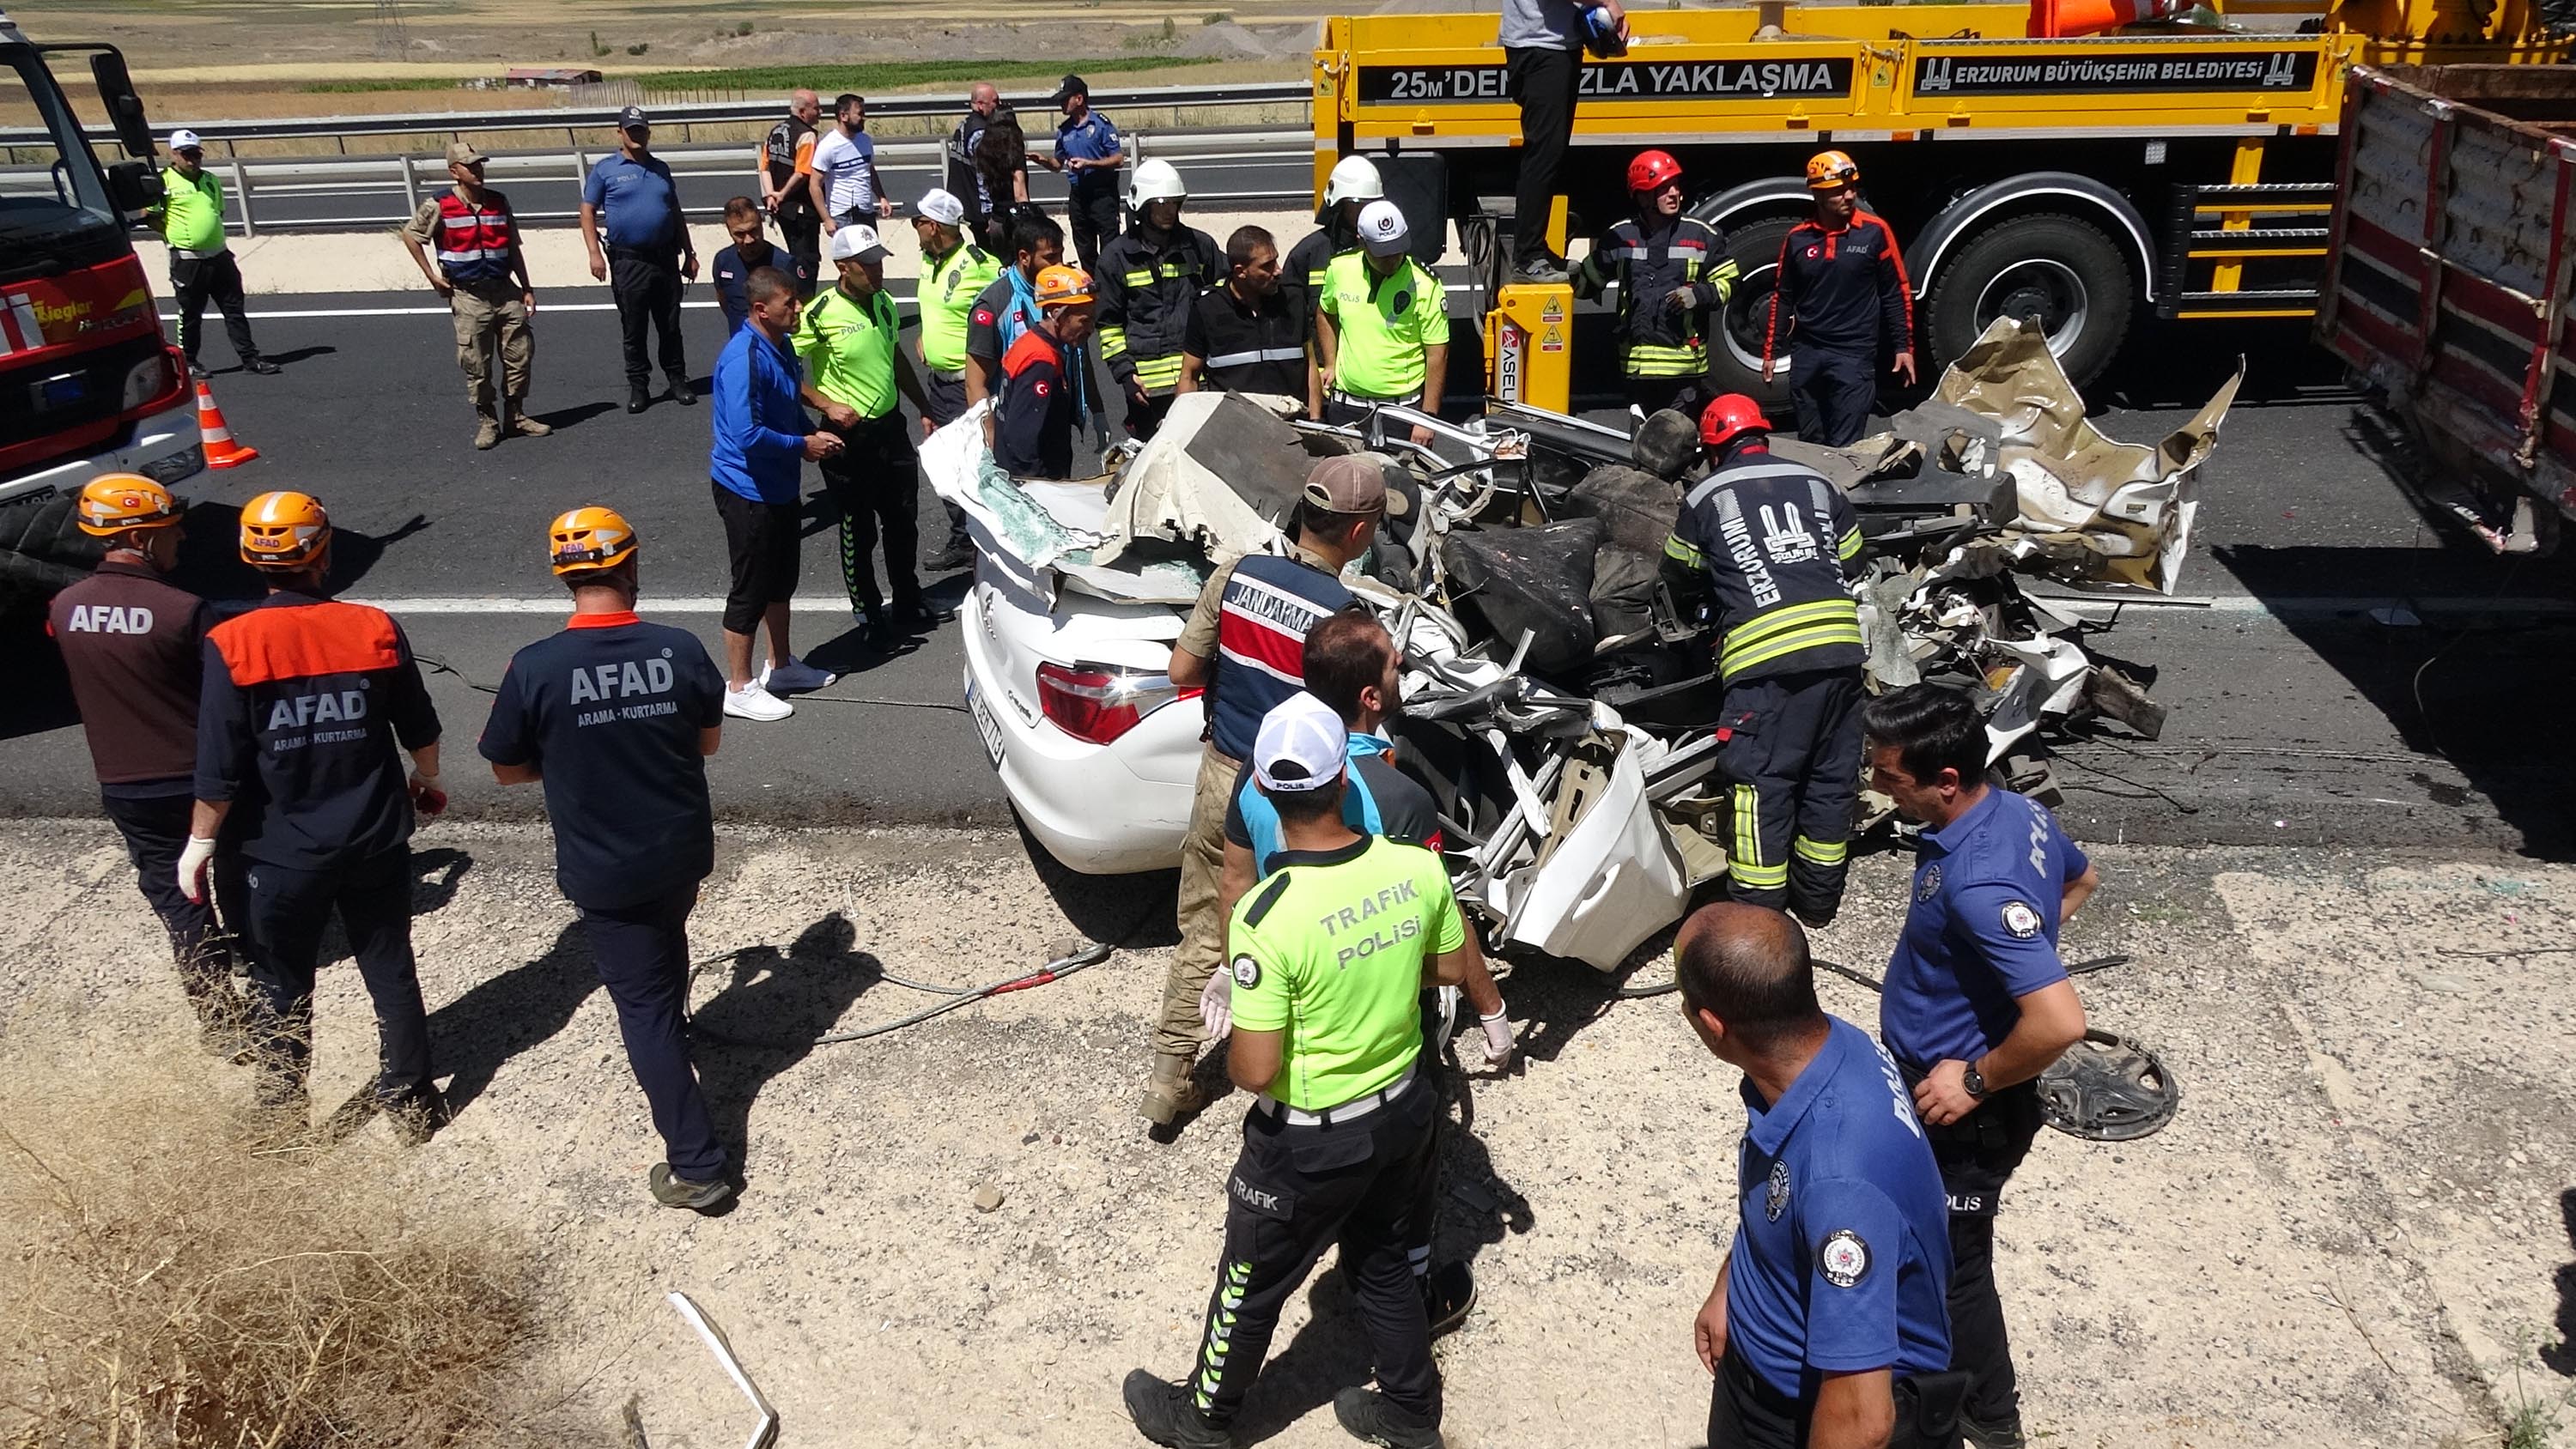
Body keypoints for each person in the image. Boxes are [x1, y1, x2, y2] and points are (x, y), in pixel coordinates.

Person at [1121, 691, 1476, 1449]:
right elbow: (1447, 967)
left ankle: (1205, 1417)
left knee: (1250, 1280)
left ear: (1264, 795)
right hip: (1408, 1105)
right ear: (1342, 781)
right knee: (1381, 1258)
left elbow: (1254, 1069)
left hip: (1312, 1142)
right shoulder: (1416, 869)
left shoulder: (1267, 916)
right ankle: (1412, 1415)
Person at [1208, 613, 1510, 1339]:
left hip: (1297, 991)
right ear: (1370, 699)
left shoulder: (1257, 778)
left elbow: (1234, 883)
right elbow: (1440, 917)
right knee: (1402, 1178)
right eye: (1395, 666)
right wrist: (1489, 1002)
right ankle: (1413, 1290)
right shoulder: (1397, 798)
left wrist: (1234, 969)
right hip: (1385, 1020)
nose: (1402, 672)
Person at [479, 507, 736, 1213]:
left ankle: (697, 1166)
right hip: (682, 851)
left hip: (605, 870)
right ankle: (676, 1043)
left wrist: (566, 760)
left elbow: (505, 770)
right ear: (630, 566)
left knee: (642, 1009)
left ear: (563, 577)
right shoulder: (679, 648)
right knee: (666, 947)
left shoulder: (534, 667)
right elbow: (707, 745)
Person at [1862, 683, 2095, 1449]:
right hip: (1937, 1075)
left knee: (1959, 1269)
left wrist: (1974, 1078)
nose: (1875, 783)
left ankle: (1990, 1421)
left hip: (1968, 1112)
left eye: (1889, 776)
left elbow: (2061, 1022)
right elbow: (2079, 880)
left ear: (1947, 780)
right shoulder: (2019, 811)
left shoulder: (1978, 882)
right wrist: (2011, 968)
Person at [185, 491, 444, 1139]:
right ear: (322, 554)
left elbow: (221, 766)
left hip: (278, 854)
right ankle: (410, 1100)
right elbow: (419, 725)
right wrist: (427, 779)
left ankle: (281, 1117)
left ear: (250, 559)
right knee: (390, 968)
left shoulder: (230, 643)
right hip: (375, 838)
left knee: (281, 983)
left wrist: (198, 844)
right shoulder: (374, 627)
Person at [1143, 455, 1393, 1126]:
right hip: (1298, 798)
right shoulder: (1347, 616)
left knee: (1206, 924)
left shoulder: (1235, 573)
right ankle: (1293, 1073)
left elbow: (1181, 668)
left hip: (1224, 775)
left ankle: (1169, 1082)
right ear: (1361, 533)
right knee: (1305, 928)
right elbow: (1366, 716)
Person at [1678, 904, 1962, 1449]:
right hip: (1760, 1373)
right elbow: (1779, 1191)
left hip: (1795, 1415)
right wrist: (1731, 1282)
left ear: (1714, 1027)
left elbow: (1862, 1419)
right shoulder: (1830, 1048)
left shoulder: (1841, 1188)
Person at [1659, 394, 1867, 925]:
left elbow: (1680, 571)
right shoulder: (1820, 483)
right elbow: (1852, 559)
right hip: (1842, 656)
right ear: (1762, 437)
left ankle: (1759, 916)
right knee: (1830, 778)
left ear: (1713, 450)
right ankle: (1818, 905)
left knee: (1760, 786)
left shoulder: (1706, 494)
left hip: (1766, 664)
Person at [47, 476, 243, 1040]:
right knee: (232, 864)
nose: (180, 536)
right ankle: (257, 954)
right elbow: (228, 697)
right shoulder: (183, 610)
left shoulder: (64, 607)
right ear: (137, 536)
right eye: (168, 529)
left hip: (125, 785)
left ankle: (219, 1023)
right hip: (196, 778)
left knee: (178, 899)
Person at [710, 266, 846, 722]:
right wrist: (804, 445)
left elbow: (785, 405)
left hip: (780, 484)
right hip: (747, 490)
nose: (799, 309)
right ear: (760, 309)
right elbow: (747, 435)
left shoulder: (782, 345)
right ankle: (739, 685)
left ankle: (781, 666)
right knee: (750, 587)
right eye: (790, 303)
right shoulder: (742, 359)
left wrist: (810, 431)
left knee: (781, 579)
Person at [797, 225, 941, 651]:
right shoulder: (820, 313)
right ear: (843, 267)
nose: (877, 271)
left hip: (889, 427)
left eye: (880, 261)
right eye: (868, 264)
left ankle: (907, 599)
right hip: (848, 436)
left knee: (902, 519)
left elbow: (894, 355)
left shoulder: (883, 303)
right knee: (858, 529)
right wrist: (825, 406)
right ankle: (868, 612)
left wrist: (923, 405)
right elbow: (779, 368)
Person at [399, 139, 549, 450]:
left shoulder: (498, 201)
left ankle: (516, 416)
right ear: (454, 172)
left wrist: (527, 288)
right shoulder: (439, 204)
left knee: (519, 356)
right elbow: (411, 236)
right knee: (476, 363)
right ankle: (488, 421)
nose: (478, 170)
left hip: (505, 290)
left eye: (479, 164)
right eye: (470, 166)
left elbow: (513, 248)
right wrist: (432, 277)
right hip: (469, 295)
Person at [1763, 151, 1917, 447]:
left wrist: (1903, 346)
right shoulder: (1797, 239)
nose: (1849, 196)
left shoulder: (1875, 232)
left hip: (1853, 354)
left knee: (1845, 445)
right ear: (1818, 194)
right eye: (1839, 191)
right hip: (1808, 353)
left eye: (1852, 188)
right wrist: (1771, 351)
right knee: (1810, 440)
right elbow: (1783, 296)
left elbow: (1895, 291)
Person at [1573, 149, 1738, 420]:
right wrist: (1565, 271)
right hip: (1637, 371)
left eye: (1675, 186)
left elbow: (1730, 282)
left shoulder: (1702, 236)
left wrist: (1699, 294)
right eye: (1664, 188)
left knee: (1677, 445)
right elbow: (1588, 285)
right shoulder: (1620, 237)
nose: (1674, 193)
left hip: (1684, 370)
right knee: (1642, 447)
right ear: (1642, 195)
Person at [581, 106, 699, 415]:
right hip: (628, 261)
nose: (637, 135)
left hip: (665, 258)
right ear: (619, 132)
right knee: (634, 326)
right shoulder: (606, 169)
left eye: (641, 130)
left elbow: (675, 211)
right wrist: (595, 253)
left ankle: (677, 378)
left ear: (648, 133)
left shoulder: (661, 168)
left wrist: (690, 252)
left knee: (670, 324)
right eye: (631, 130)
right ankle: (639, 385)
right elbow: (587, 211)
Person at [1502, 0, 1626, 282]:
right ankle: (1528, 257)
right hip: (1541, 47)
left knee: (1550, 152)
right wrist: (1609, 3)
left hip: (1551, 44)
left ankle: (1536, 251)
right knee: (1543, 154)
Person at [1097, 160, 1220, 442]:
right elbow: (1108, 325)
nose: (1168, 211)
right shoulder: (1117, 258)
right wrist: (1125, 374)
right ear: (1142, 206)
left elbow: (1224, 297)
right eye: (1160, 203)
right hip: (1147, 389)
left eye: (1174, 203)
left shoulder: (1199, 247)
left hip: (1196, 383)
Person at [913, 188, 1003, 567]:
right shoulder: (926, 260)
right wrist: (925, 336)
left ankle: (985, 541)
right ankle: (964, 537)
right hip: (939, 382)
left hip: (970, 383)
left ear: (933, 226)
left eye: (918, 221)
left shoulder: (980, 264)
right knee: (945, 465)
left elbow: (1004, 312)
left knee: (976, 464)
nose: (914, 227)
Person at [1315, 200, 1447, 447]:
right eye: (1383, 253)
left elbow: (1437, 354)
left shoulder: (1425, 284)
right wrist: (1330, 362)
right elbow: (1325, 313)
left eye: (1397, 250)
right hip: (1347, 408)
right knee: (1347, 482)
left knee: (1400, 484)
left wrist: (1428, 417)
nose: (1392, 259)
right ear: (1361, 242)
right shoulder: (1339, 269)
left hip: (1402, 412)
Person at [148, 129, 276, 376]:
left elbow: (218, 211)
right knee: (191, 312)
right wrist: (174, 234)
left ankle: (250, 357)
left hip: (219, 256)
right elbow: (151, 216)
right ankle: (189, 360)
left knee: (234, 308)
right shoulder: (162, 181)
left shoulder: (210, 180)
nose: (192, 159)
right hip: (188, 260)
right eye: (186, 154)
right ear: (174, 154)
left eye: (196, 154)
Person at [1178, 225, 1312, 412]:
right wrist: (1185, 424)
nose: (1278, 271)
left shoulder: (1294, 300)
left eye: (1276, 260)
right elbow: (1189, 376)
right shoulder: (1206, 309)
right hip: (1235, 429)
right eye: (1267, 266)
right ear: (1241, 271)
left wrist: (1316, 421)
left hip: (1292, 425)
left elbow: (1310, 365)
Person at [989, 264, 1099, 481]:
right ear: (1057, 313)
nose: (1090, 329)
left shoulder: (1030, 343)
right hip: (1034, 484)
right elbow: (1021, 438)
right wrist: (1042, 488)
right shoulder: (1041, 362)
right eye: (1084, 320)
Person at [965, 210, 1067, 415]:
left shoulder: (1064, 290)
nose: (1060, 265)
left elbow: (1077, 352)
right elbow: (975, 385)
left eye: (1061, 255)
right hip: (1013, 422)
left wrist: (1097, 410)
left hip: (1055, 419)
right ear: (1024, 257)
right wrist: (991, 436)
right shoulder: (993, 304)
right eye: (1050, 258)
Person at [1036, 74, 1126, 274]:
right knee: (1084, 247)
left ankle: (1111, 284)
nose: (1061, 104)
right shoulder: (1064, 131)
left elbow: (1118, 158)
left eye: (1065, 99)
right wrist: (1042, 161)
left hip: (1102, 194)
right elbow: (1057, 163)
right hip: (1078, 195)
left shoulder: (1100, 124)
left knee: (1110, 246)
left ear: (1079, 99)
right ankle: (1092, 284)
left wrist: (1090, 164)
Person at [1289, 155, 1382, 327]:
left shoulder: (1388, 250)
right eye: (1357, 204)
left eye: (1372, 203)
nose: (1365, 211)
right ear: (1338, 203)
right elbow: (1290, 320)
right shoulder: (1308, 253)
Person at [712, 196, 811, 336]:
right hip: (741, 343)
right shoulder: (723, 261)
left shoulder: (785, 264)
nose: (749, 240)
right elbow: (724, 299)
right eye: (740, 234)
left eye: (753, 230)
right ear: (729, 231)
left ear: (761, 222)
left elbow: (803, 301)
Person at [758, 88, 823, 294]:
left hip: (782, 209)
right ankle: (803, 304)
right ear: (803, 112)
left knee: (795, 256)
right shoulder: (807, 136)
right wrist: (782, 194)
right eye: (816, 108)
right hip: (801, 209)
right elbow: (802, 173)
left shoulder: (776, 130)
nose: (821, 112)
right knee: (807, 261)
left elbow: (764, 167)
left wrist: (772, 195)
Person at [945, 82, 1020, 251]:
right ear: (980, 105)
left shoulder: (965, 124)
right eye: (995, 101)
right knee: (996, 258)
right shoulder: (980, 133)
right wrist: (989, 217)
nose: (999, 105)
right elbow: (983, 176)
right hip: (979, 211)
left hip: (967, 205)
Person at [809, 93, 895, 236]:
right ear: (843, 116)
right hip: (842, 215)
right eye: (859, 114)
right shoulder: (828, 146)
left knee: (874, 257)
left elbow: (870, 171)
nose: (863, 118)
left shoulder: (865, 140)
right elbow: (814, 185)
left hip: (866, 211)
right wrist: (827, 219)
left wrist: (882, 198)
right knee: (850, 259)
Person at [973, 118, 1035, 252]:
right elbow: (1020, 193)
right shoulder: (1015, 152)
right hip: (1013, 220)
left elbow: (983, 186)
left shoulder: (985, 152)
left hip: (996, 218)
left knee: (1001, 263)